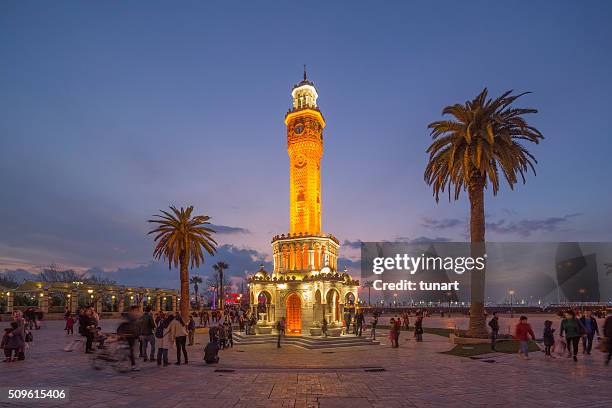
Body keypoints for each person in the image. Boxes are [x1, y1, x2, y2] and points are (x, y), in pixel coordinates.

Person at [116, 306, 142, 371]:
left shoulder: (133, 318)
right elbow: (123, 327)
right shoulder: (129, 317)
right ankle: (132, 365)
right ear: (132, 310)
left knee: (131, 352)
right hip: (128, 336)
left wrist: (138, 335)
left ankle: (129, 364)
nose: (137, 312)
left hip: (132, 337)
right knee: (130, 352)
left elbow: (136, 327)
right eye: (136, 310)